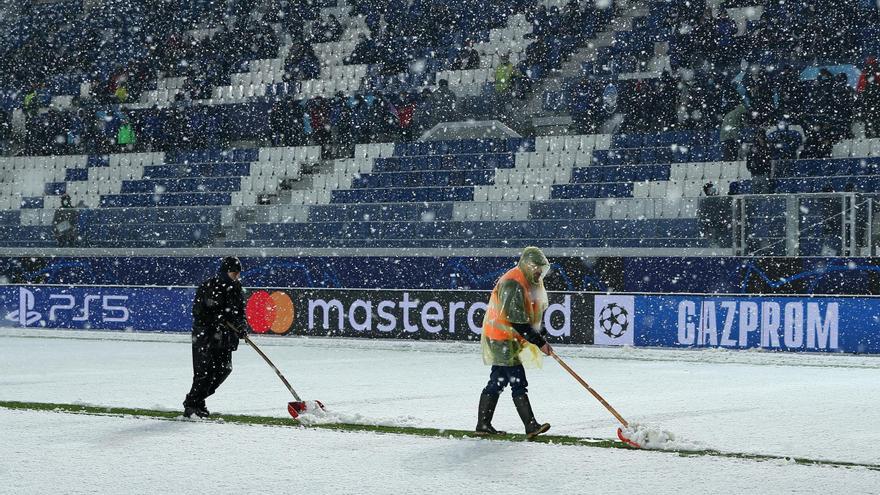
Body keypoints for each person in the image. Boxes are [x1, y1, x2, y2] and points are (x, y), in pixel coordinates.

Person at [476, 246, 553, 439]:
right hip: (502, 338)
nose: (538, 272)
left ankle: (483, 424)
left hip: (508, 339)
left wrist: (540, 335)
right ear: (527, 265)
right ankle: (530, 425)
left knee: (497, 382)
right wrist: (539, 342)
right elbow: (517, 320)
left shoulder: (528, 281)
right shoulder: (513, 283)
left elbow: (529, 315)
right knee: (518, 382)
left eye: (541, 268)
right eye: (536, 267)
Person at [183, 257, 248, 418]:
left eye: (238, 274)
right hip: (206, 336)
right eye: (234, 273)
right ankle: (192, 405)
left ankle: (198, 399)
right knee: (204, 373)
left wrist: (241, 327)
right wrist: (215, 318)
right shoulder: (208, 286)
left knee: (224, 369)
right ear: (226, 271)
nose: (236, 276)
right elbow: (198, 312)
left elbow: (240, 312)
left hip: (225, 338)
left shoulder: (237, 288)